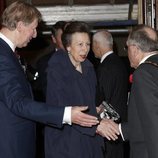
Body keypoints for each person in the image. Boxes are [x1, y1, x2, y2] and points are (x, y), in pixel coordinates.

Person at [0, 2, 99, 158]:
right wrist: (66, 114)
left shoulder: (7, 53)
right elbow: (18, 102)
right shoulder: (2, 55)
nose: (34, 35)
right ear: (19, 25)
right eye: (33, 28)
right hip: (10, 144)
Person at [45, 21, 105, 158]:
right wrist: (97, 126)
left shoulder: (89, 68)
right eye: (80, 44)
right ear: (68, 46)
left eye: (88, 44)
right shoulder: (56, 70)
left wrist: (95, 109)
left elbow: (87, 102)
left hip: (89, 141)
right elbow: (62, 108)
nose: (85, 49)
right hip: (66, 143)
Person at [120, 24, 158, 158]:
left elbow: (153, 122)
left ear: (135, 49)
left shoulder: (143, 73)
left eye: (127, 47)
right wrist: (120, 129)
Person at [92, 30, 128, 158]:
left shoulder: (105, 67)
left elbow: (102, 100)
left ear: (96, 45)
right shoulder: (121, 63)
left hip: (109, 130)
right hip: (121, 126)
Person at [37, 21, 67, 98]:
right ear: (54, 39)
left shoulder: (83, 58)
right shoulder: (45, 63)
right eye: (62, 37)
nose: (66, 40)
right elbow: (48, 93)